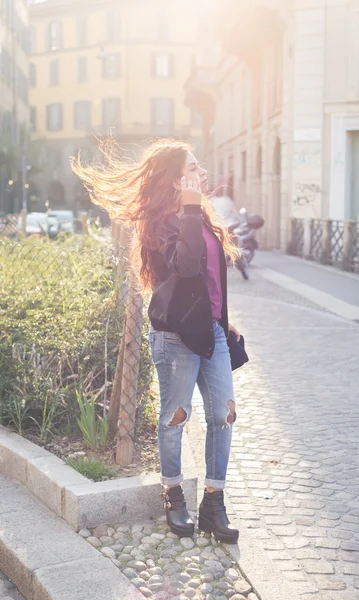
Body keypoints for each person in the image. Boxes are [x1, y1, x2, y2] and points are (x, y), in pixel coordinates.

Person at [72, 139, 240, 544]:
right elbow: (184, 266)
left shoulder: (201, 217)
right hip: (176, 334)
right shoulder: (162, 221)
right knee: (175, 416)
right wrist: (189, 207)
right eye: (192, 167)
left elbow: (216, 279)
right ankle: (174, 495)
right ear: (175, 176)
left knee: (224, 414)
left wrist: (227, 324)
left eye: (199, 166)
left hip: (213, 331)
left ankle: (213, 504)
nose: (201, 173)